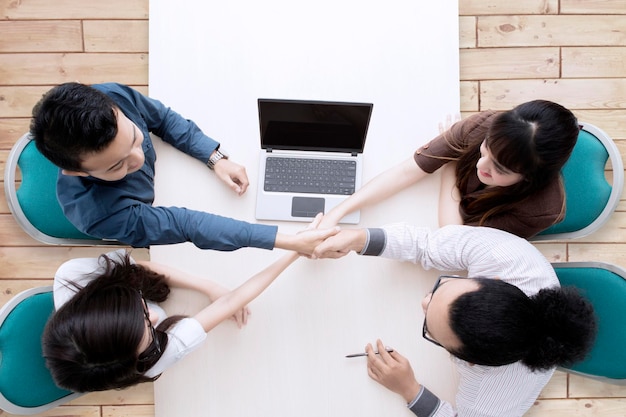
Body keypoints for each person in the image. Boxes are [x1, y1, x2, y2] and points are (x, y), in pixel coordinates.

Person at [313, 224, 596, 416]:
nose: (423, 301)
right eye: (440, 287)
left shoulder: (490, 399)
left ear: (469, 362)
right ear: (490, 279)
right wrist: (359, 238)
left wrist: (410, 389)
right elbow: (425, 244)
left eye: (429, 328)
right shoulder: (508, 257)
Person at [30, 82, 336, 253]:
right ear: (78, 172)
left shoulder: (113, 97)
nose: (137, 159)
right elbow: (188, 225)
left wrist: (215, 158)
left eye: (136, 138)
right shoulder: (102, 217)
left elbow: (161, 119)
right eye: (117, 166)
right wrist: (290, 241)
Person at [42, 210, 316, 392]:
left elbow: (134, 270)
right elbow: (229, 303)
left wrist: (207, 285)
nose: (156, 317)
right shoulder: (151, 362)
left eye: (140, 310)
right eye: (148, 332)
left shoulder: (72, 276)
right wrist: (296, 253)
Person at [320, 100, 580, 239]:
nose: (481, 165)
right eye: (485, 149)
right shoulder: (482, 125)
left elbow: (453, 240)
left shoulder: (541, 211)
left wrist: (450, 165)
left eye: (498, 167)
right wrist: (337, 212)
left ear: (530, 177)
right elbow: (405, 172)